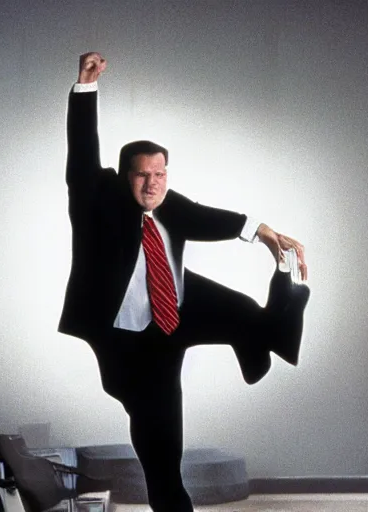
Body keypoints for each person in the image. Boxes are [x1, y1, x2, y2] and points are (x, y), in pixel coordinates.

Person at [58, 52, 310, 512]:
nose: (152, 185)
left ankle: (260, 341)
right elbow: (82, 151)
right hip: (131, 343)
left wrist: (265, 233)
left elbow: (211, 219)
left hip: (180, 309)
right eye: (141, 176)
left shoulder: (170, 204)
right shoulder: (97, 203)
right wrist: (85, 87)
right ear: (124, 177)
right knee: (161, 444)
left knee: (244, 311)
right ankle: (173, 504)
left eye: (160, 175)